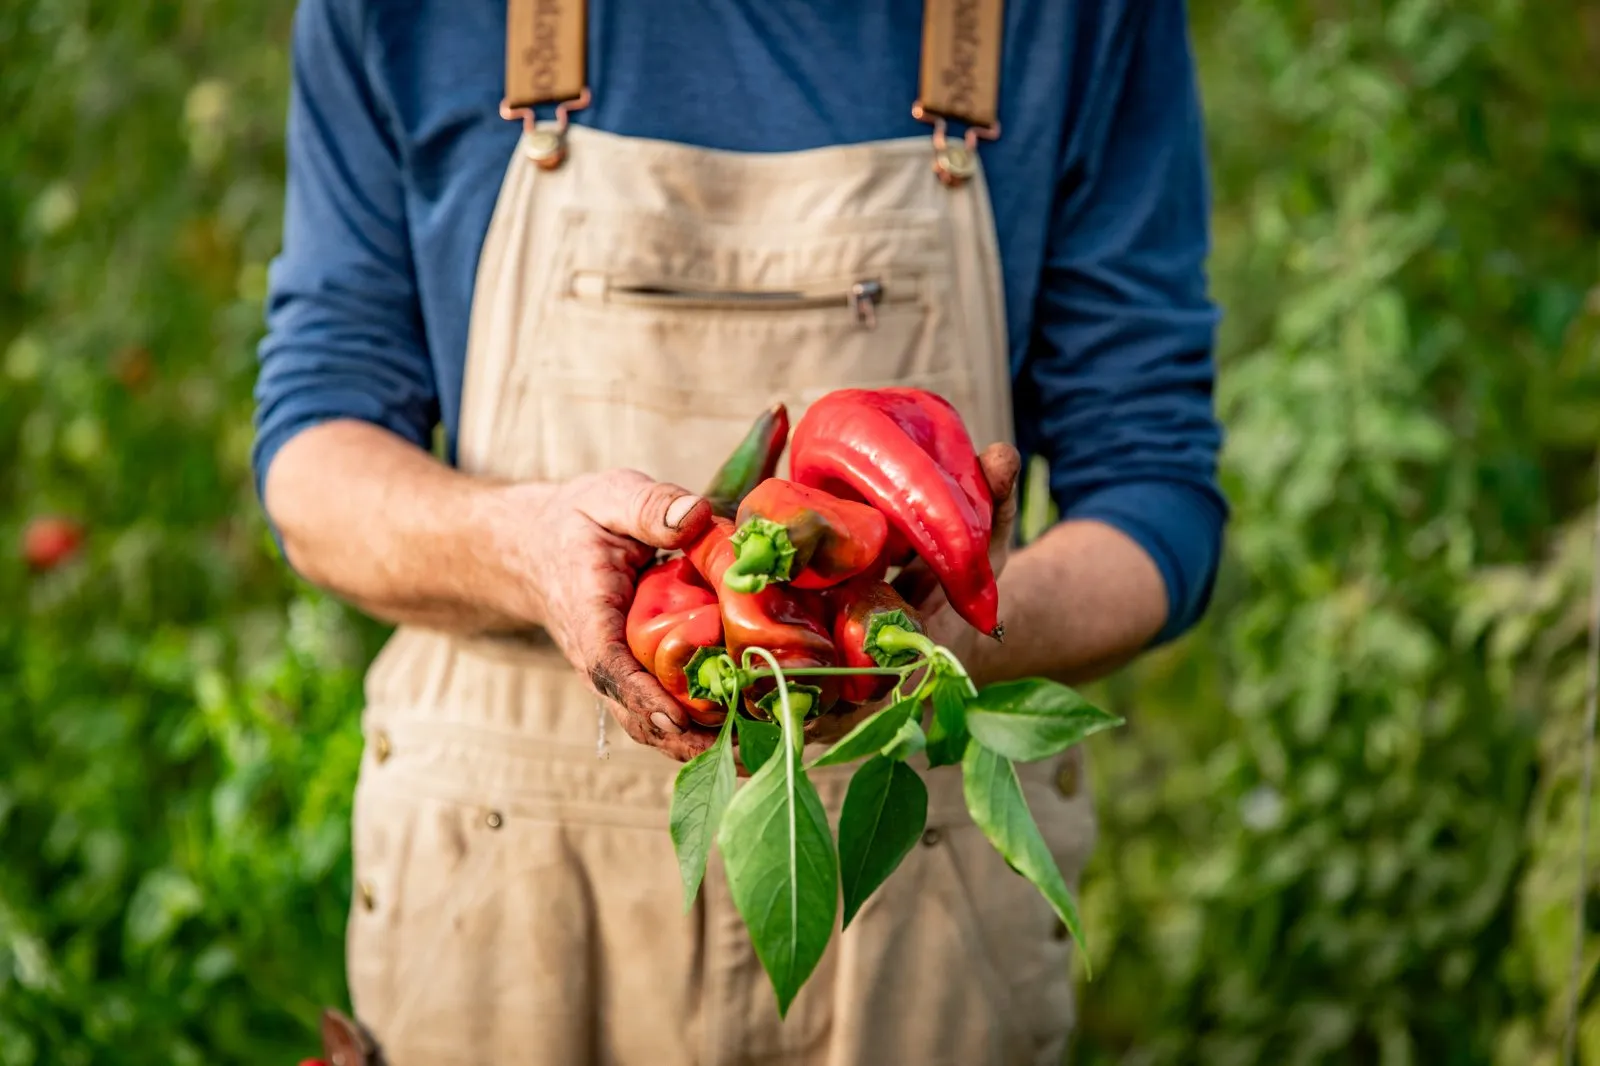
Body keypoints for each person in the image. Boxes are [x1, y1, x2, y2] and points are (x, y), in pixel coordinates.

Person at [252, 0, 1227, 1063]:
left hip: (917, 923)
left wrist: (963, 634)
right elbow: (315, 460)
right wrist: (525, 546)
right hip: (502, 905)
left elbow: (1152, 492)